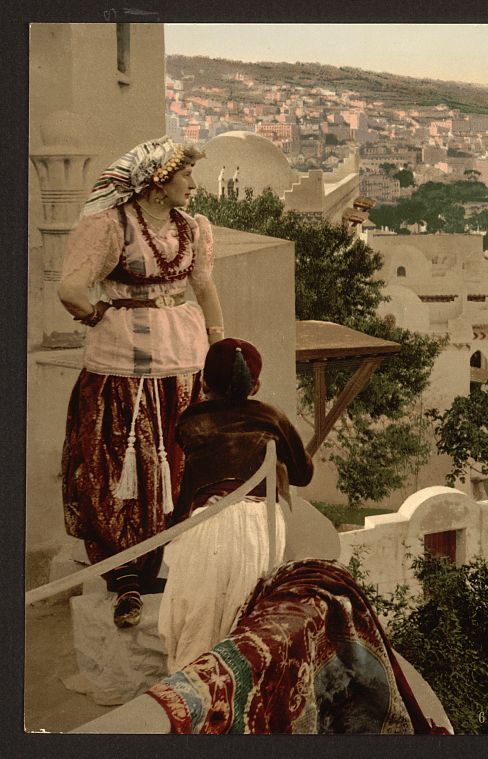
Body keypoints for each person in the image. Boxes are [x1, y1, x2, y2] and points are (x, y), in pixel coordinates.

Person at [58, 137, 225, 628]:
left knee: (176, 458)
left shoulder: (191, 229)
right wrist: (97, 314)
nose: (194, 185)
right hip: (124, 365)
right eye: (185, 175)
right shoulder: (111, 226)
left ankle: (173, 557)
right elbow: (71, 287)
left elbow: (205, 287)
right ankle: (127, 572)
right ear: (157, 181)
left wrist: (218, 345)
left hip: (184, 359)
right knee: (123, 460)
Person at [159, 338, 314, 672]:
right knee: (244, 630)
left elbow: (189, 477)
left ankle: (188, 708)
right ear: (255, 384)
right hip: (260, 526)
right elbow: (304, 475)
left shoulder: (189, 421)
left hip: (205, 524)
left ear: (203, 383)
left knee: (195, 632)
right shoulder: (271, 417)